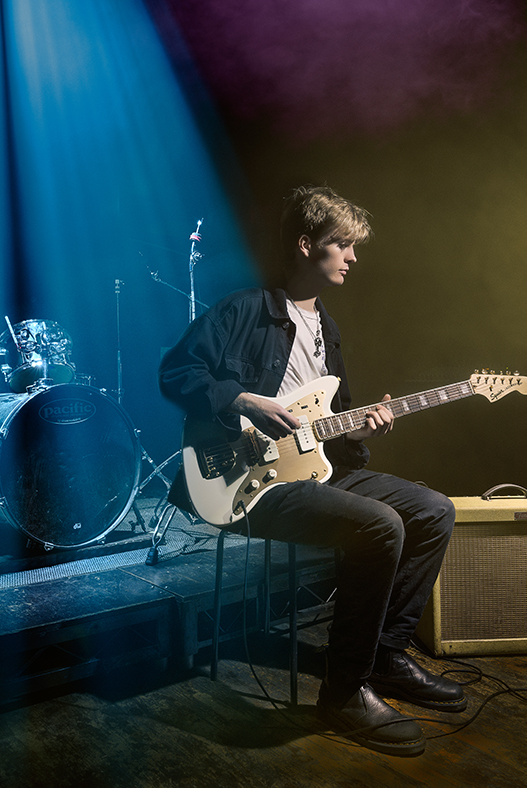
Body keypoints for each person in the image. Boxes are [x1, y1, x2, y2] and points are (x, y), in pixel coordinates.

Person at [158, 185, 462, 757]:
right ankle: (344, 695)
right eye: (340, 244)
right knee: (380, 526)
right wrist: (244, 401)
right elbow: (175, 374)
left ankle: (386, 657)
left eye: (353, 247)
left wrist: (357, 429)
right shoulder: (244, 308)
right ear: (305, 245)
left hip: (314, 470)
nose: (352, 257)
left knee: (433, 509)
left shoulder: (328, 327)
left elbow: (323, 423)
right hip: (246, 483)